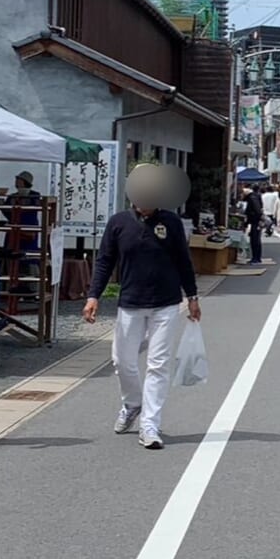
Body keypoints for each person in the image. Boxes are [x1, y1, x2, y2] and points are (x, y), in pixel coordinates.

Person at [84, 183, 200, 450]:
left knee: (157, 365)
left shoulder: (170, 221)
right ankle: (133, 403)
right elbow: (104, 261)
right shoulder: (119, 223)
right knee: (121, 361)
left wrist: (192, 297)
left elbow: (184, 261)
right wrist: (93, 296)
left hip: (166, 304)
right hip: (130, 303)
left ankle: (150, 424)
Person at [244, 184, 264, 264]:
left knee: (254, 240)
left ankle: (255, 258)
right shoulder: (257, 196)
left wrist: (248, 221)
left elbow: (257, 210)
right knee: (256, 239)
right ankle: (257, 258)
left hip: (255, 221)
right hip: (257, 221)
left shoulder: (252, 198)